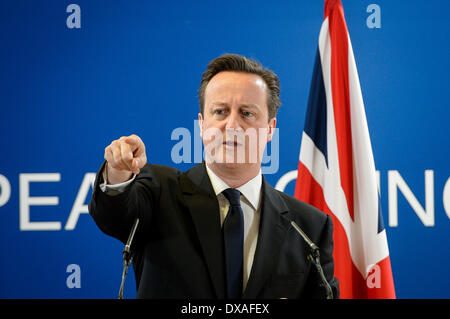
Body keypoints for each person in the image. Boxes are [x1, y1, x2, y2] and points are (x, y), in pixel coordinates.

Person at [89, 53, 339, 299]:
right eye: (220, 111)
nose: (232, 125)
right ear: (201, 125)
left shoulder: (308, 227)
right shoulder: (159, 192)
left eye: (247, 113)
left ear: (270, 128)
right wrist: (119, 172)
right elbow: (113, 215)